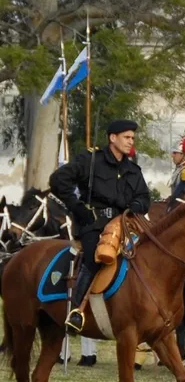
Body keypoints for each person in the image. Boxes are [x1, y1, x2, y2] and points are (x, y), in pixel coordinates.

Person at [49, 119, 151, 333]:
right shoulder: (91, 160)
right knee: (95, 258)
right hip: (93, 224)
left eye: (132, 138)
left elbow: (144, 198)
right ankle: (77, 311)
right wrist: (77, 207)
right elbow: (59, 179)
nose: (131, 141)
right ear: (112, 138)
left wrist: (135, 206)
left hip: (125, 224)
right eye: (126, 137)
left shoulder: (133, 170)